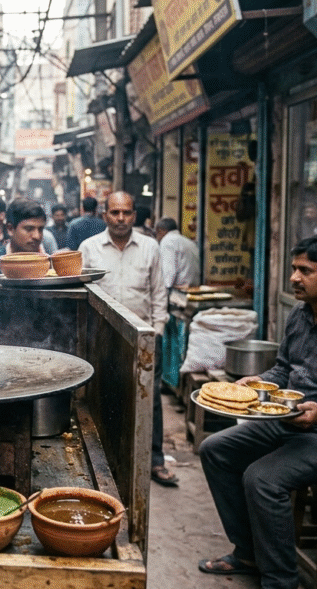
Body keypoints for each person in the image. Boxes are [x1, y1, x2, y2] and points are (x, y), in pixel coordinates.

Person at [199, 235, 317, 589]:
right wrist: (258, 381)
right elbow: (284, 370)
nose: (294, 277)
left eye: (305, 270)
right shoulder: (299, 313)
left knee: (262, 478)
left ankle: (281, 581)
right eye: (294, 269)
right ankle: (248, 551)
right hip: (291, 423)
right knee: (215, 449)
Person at [79, 191, 175, 486]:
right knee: (105, 396)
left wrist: (157, 330)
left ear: (136, 216)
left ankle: (155, 460)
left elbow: (159, 292)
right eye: (115, 212)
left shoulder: (150, 248)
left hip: (143, 338)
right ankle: (108, 458)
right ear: (104, 215)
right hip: (103, 339)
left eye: (127, 213)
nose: (121, 218)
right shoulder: (89, 248)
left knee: (149, 400)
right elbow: (83, 294)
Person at [0, 198, 49, 278]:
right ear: (10, 229)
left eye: (40, 229)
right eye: (29, 229)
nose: (37, 236)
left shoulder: (50, 266)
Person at [154, 217, 200, 290]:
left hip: (179, 291)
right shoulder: (188, 242)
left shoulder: (167, 241)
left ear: (160, 230)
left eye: (156, 233)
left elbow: (169, 273)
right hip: (194, 288)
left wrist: (165, 288)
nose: (157, 237)